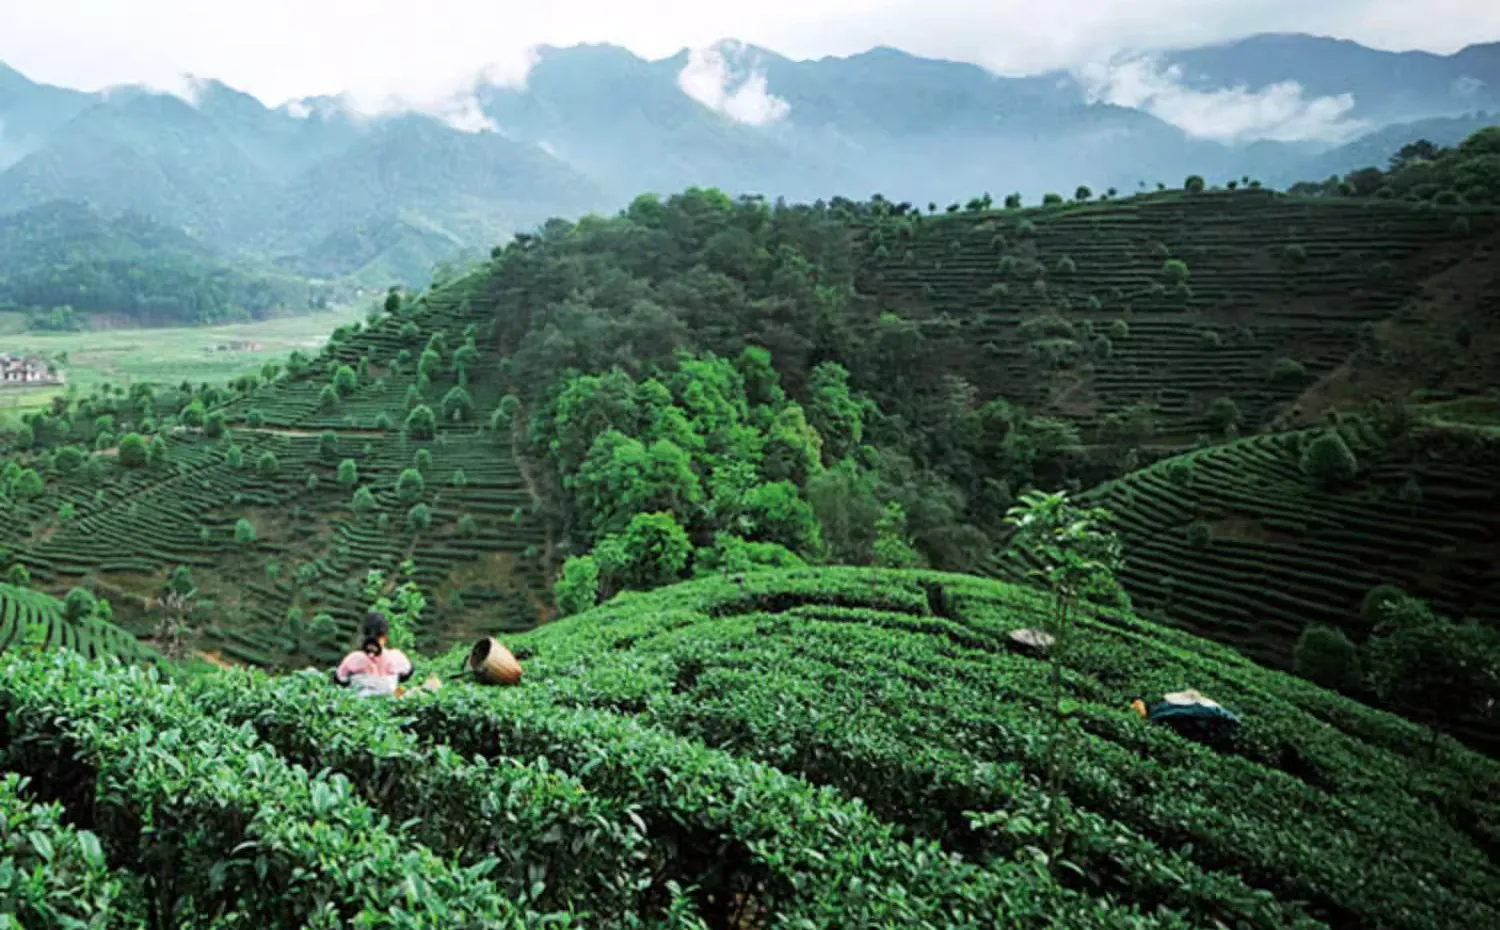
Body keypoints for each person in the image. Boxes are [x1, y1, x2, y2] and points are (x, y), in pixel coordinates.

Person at [333, 612, 414, 698]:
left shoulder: (353, 659)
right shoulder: (396, 657)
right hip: (390, 703)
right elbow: (406, 674)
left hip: (359, 704)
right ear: (385, 637)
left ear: (363, 636)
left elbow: (340, 680)